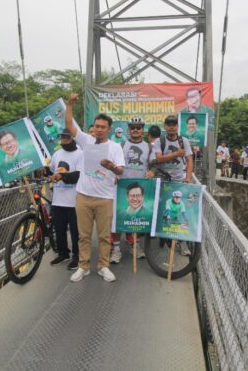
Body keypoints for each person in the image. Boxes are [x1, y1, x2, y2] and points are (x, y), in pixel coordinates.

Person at [65, 93, 125, 283]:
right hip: (83, 196)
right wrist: (69, 105)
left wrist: (112, 167)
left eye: (102, 127)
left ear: (109, 129)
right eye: (96, 126)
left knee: (104, 236)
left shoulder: (115, 147)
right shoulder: (86, 141)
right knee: (83, 235)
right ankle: (83, 267)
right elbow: (69, 126)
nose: (99, 130)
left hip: (105, 197)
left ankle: (103, 266)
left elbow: (121, 170)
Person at [111, 116, 156, 263]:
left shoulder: (149, 147)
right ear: (128, 130)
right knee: (118, 217)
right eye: (133, 127)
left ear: (142, 130)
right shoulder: (120, 145)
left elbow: (154, 164)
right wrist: (114, 174)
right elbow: (114, 164)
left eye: (139, 127)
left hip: (140, 187)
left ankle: (135, 245)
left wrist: (152, 172)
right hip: (121, 187)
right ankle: (116, 249)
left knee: (136, 218)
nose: (135, 130)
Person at [48, 128, 83, 270]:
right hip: (58, 200)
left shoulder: (80, 154)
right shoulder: (56, 154)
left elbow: (79, 175)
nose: (64, 139)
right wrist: (44, 171)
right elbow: (50, 170)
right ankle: (63, 253)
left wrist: (62, 176)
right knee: (59, 230)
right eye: (62, 136)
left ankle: (77, 256)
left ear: (73, 138)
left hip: (75, 201)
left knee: (76, 232)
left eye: (67, 137)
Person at [154, 115, 193, 183]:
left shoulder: (184, 141)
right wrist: (176, 154)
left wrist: (188, 177)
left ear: (177, 126)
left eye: (174, 125)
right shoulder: (159, 141)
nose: (171, 127)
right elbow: (159, 159)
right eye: (169, 125)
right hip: (162, 181)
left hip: (179, 181)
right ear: (165, 127)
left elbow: (189, 160)